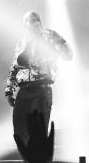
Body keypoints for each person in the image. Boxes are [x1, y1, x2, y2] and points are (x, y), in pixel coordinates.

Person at [5, 11, 73, 144]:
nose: (31, 26)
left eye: (34, 22)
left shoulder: (50, 36)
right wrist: (9, 90)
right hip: (23, 92)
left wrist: (60, 40)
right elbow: (14, 67)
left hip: (41, 90)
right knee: (19, 132)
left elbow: (68, 56)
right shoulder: (22, 42)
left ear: (39, 22)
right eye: (28, 24)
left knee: (39, 134)